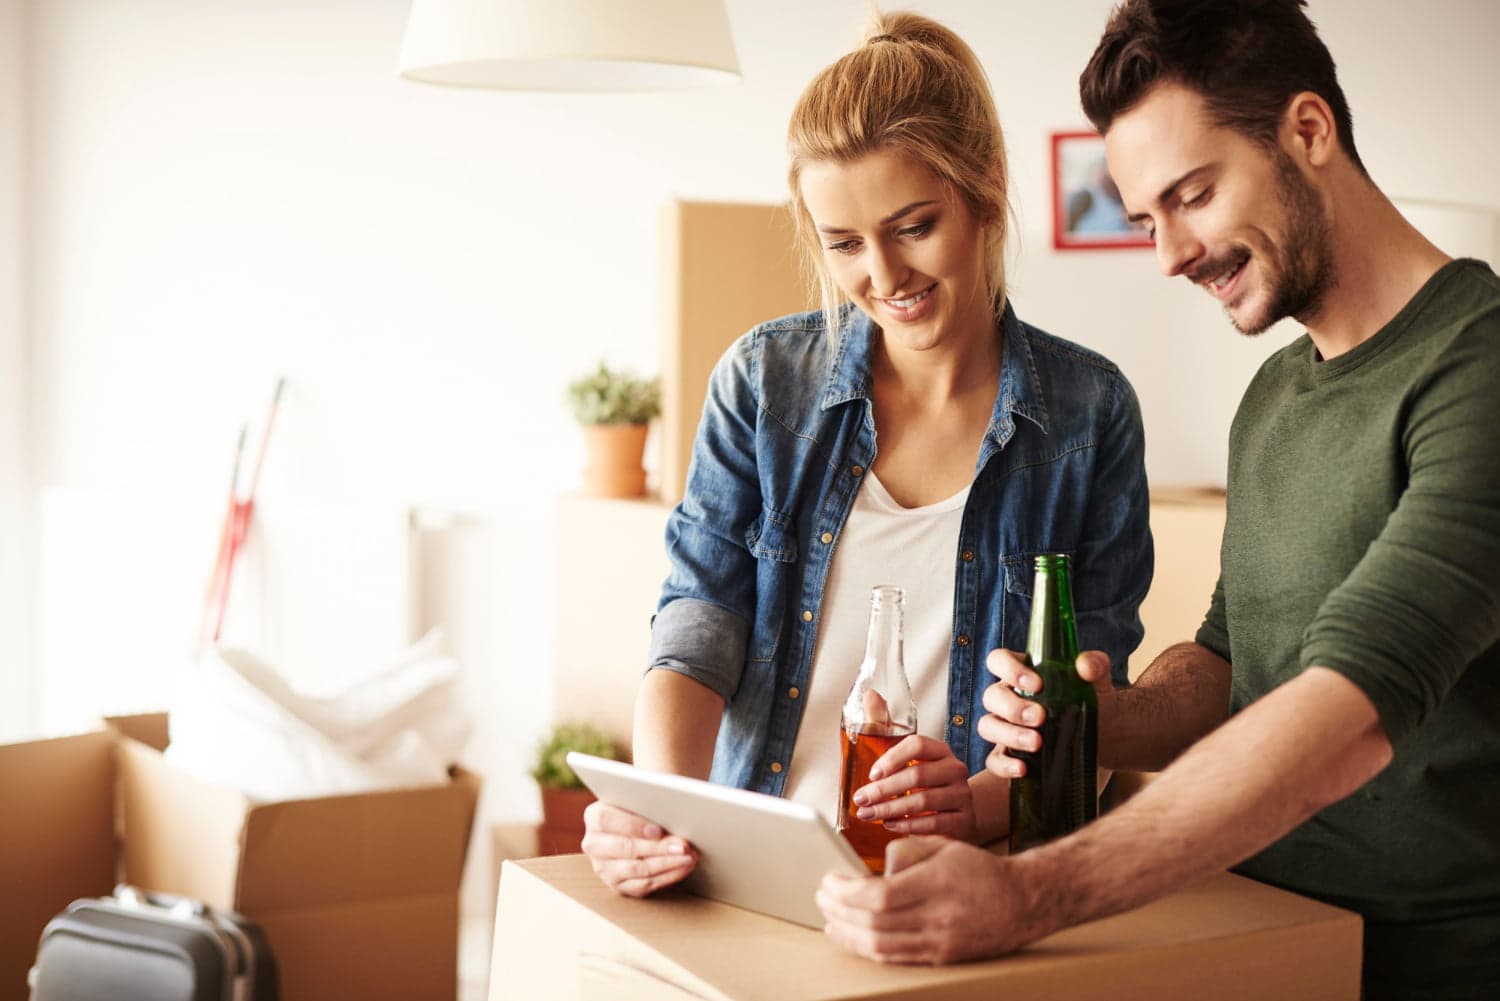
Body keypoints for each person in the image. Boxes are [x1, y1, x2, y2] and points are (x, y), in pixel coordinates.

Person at [817, 2, 1500, 998]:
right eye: (1145, 219)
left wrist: (1030, 891)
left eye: (1192, 195)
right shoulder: (1275, 395)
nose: (1170, 254)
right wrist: (1100, 716)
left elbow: (1352, 707)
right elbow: (1233, 661)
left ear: (1308, 131)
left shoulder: (1474, 370)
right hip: (1239, 926)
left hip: (1420, 959)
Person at [581, 10, 1152, 898]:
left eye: (913, 225)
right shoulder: (764, 383)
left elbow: (1085, 715)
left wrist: (975, 804)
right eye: (844, 244)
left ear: (985, 189)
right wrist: (660, 808)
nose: (882, 276)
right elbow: (697, 621)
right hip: (751, 878)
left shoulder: (1089, 414)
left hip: (956, 890)